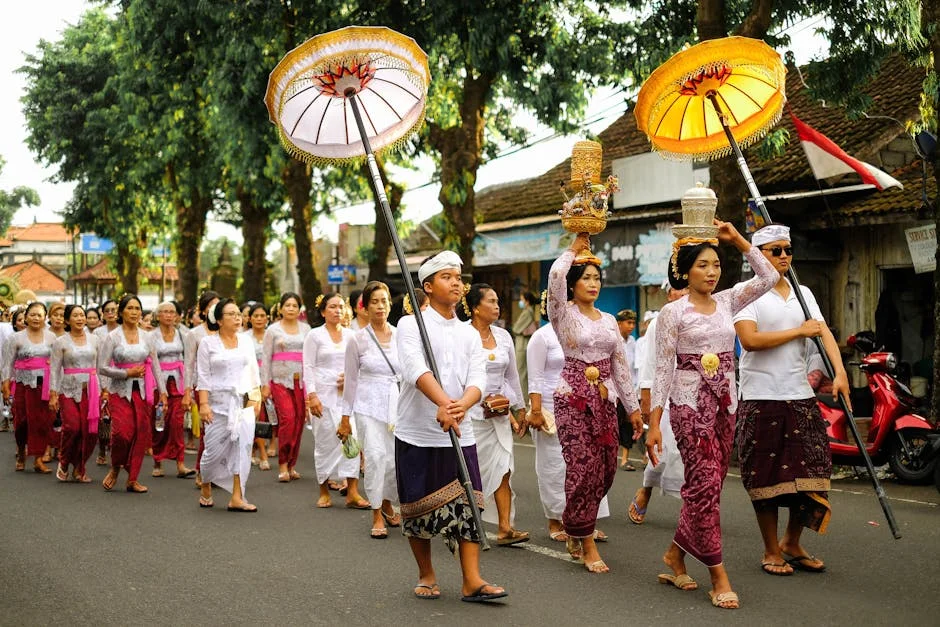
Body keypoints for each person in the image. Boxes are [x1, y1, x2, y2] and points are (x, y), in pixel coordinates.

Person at [647, 219, 777, 610]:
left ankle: (675, 556)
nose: (711, 271)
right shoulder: (673, 312)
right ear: (685, 270)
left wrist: (737, 239)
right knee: (703, 483)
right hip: (688, 406)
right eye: (703, 265)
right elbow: (662, 368)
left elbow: (768, 276)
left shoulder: (728, 301)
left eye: (716, 265)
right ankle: (718, 574)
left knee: (710, 486)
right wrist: (654, 424)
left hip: (724, 404)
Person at [733, 223, 846, 576]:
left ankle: (792, 541)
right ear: (759, 257)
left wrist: (840, 373)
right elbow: (750, 340)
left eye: (788, 250)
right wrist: (799, 331)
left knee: (814, 471)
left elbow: (823, 331)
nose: (784, 256)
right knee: (765, 476)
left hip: (799, 394)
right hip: (760, 395)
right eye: (775, 251)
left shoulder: (804, 291)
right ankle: (771, 550)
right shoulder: (745, 292)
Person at [396, 252, 506, 602]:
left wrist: (462, 404)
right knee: (417, 506)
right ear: (427, 287)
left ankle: (471, 579)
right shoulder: (410, 325)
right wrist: (444, 402)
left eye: (458, 277)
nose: (456, 283)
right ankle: (426, 573)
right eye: (446, 277)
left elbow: (478, 378)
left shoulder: (469, 334)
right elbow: (415, 370)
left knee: (469, 503)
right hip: (416, 432)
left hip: (461, 430)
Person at [546, 234, 642, 573]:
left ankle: (574, 522)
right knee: (583, 468)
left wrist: (633, 409)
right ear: (572, 285)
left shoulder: (610, 320)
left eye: (597, 278)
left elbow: (621, 368)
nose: (593, 283)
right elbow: (556, 276)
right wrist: (575, 246)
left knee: (605, 470)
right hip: (572, 399)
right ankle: (586, 541)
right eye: (586, 278)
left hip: (605, 400)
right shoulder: (563, 314)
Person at [527, 291, 611, 543]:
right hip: (551, 410)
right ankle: (555, 520)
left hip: (584, 406)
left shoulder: (581, 335)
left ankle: (585, 521)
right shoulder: (541, 337)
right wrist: (536, 411)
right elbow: (536, 377)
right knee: (554, 466)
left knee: (587, 466)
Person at [466, 283, 529, 546]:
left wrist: (520, 408)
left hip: (499, 413)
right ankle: (469, 525)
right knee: (472, 473)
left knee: (504, 468)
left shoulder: (503, 336)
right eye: (490, 301)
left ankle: (505, 527)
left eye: (497, 301)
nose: (496, 306)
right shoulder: (462, 336)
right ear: (475, 308)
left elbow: (512, 375)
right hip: (470, 415)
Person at [339, 281, 402, 537]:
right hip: (367, 406)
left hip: (396, 405)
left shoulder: (401, 336)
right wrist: (345, 419)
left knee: (395, 461)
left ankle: (388, 502)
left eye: (384, 301)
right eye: (374, 301)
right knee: (375, 458)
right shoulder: (357, 340)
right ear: (365, 306)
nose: (380, 306)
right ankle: (377, 513)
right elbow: (351, 380)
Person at [628, 286, 687, 525]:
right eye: (677, 289)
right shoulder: (658, 323)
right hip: (666, 397)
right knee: (662, 453)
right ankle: (646, 489)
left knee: (699, 456)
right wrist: (646, 399)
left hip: (698, 397)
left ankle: (696, 510)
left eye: (686, 288)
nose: (682, 294)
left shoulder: (706, 316)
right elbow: (648, 364)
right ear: (669, 294)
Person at [196, 298, 262, 511]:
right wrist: (203, 404)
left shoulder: (246, 341)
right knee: (212, 451)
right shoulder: (208, 343)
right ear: (219, 319)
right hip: (217, 404)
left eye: (238, 314)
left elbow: (253, 373)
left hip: (243, 402)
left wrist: (256, 400)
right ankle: (205, 482)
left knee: (242, 448)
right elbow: (203, 376)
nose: (238, 318)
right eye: (231, 314)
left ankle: (237, 496)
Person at [98, 294, 167, 493]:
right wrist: (125, 373)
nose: (134, 312)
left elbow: (155, 365)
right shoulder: (112, 337)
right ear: (121, 312)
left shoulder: (148, 336)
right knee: (122, 434)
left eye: (137, 308)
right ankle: (116, 466)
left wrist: (163, 392)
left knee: (141, 433)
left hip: (144, 390)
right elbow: (101, 368)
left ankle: (133, 479)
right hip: (119, 390)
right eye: (130, 308)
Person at [304, 293, 367, 507]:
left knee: (351, 439)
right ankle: (324, 489)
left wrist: (350, 380)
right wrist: (311, 396)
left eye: (341, 307)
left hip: (347, 397)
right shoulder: (314, 336)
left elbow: (360, 366)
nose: (337, 310)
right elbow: (308, 367)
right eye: (332, 307)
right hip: (322, 395)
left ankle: (352, 491)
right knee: (325, 442)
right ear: (323, 311)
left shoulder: (353, 336)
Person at [1, 302, 56, 473]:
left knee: (41, 421)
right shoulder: (15, 338)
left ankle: (38, 458)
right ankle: (20, 451)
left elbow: (57, 364)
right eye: (32, 314)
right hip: (22, 385)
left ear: (45, 318)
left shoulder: (52, 338)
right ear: (25, 317)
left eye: (39, 315)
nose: (36, 318)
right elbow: (7, 364)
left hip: (44, 385)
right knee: (22, 422)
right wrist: (5, 384)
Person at [261, 292, 310, 482]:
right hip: (279, 381)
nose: (291, 309)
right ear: (280, 308)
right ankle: (282, 464)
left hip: (301, 381)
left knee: (299, 422)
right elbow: (265, 358)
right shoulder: (272, 330)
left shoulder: (306, 329)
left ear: (299, 309)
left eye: (294, 306)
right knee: (288, 419)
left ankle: (292, 465)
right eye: (287, 305)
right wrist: (265, 384)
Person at [49, 304, 100, 482]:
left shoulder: (95, 340)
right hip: (68, 390)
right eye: (75, 315)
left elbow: (100, 367)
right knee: (73, 427)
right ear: (67, 320)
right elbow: (55, 370)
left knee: (89, 431)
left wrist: (106, 390)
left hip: (91, 390)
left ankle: (80, 467)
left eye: (82, 315)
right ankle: (64, 462)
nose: (80, 318)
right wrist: (53, 394)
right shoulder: (60, 342)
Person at [150, 300, 196, 479]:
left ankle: (180, 463)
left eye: (172, 312)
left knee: (177, 424)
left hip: (178, 380)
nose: (169, 315)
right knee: (159, 421)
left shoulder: (183, 334)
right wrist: (160, 389)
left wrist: (188, 389)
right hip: (158, 381)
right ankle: (157, 460)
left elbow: (188, 361)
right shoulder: (151, 336)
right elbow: (152, 361)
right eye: (165, 312)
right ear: (158, 316)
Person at [184, 291, 220, 485]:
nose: (215, 309)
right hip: (203, 387)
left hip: (225, 387)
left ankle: (218, 471)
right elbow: (188, 365)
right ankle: (201, 470)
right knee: (208, 430)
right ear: (203, 310)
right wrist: (187, 391)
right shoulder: (194, 334)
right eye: (211, 306)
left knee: (224, 431)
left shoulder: (227, 332)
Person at [243, 302, 272, 471]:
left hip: (268, 380)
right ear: (250, 318)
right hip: (249, 381)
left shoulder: (272, 335)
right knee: (254, 417)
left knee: (269, 418)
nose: (259, 319)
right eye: (256, 316)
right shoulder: (244, 337)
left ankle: (256, 450)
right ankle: (262, 453)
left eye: (262, 316)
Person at [93, 299, 120, 466]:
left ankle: (116, 450)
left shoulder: (124, 331)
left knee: (118, 415)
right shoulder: (97, 333)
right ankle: (102, 448)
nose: (111, 313)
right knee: (104, 416)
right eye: (107, 310)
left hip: (120, 373)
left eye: (114, 310)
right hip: (101, 373)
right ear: (102, 314)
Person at [615, 309, 638, 471]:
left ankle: (624, 458)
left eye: (633, 323)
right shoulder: (614, 341)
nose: (631, 326)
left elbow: (635, 368)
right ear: (619, 324)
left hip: (629, 389)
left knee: (627, 424)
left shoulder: (633, 342)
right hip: (614, 390)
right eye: (628, 323)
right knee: (612, 424)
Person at [511, 291, 539, 398]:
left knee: (521, 373)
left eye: (522, 299)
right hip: (524, 344)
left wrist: (516, 326)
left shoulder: (527, 312)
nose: (520, 302)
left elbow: (516, 328)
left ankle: (524, 400)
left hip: (522, 345)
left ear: (526, 301)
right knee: (523, 373)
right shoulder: (529, 311)